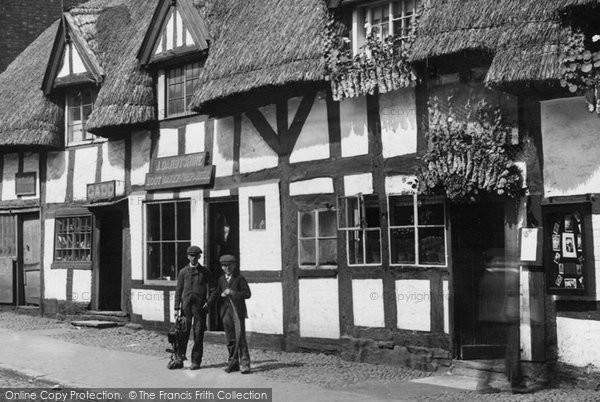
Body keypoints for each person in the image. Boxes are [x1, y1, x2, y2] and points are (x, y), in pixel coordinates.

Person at [173, 245, 214, 370]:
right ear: (188, 256)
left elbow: (213, 290)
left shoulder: (205, 272)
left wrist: (209, 303)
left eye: (196, 256)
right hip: (185, 309)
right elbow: (178, 291)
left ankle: (196, 361)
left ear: (199, 257)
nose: (193, 258)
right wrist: (176, 308)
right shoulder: (183, 272)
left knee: (198, 335)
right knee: (182, 334)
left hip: (199, 309)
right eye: (191, 256)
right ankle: (179, 359)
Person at [212, 254, 251, 374]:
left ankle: (245, 364)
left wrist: (233, 292)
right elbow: (217, 294)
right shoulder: (221, 280)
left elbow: (247, 294)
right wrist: (221, 295)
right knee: (230, 339)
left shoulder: (240, 279)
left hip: (238, 313)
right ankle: (233, 363)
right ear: (221, 267)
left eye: (229, 265)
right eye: (224, 265)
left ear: (234, 266)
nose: (227, 267)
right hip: (226, 313)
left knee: (241, 338)